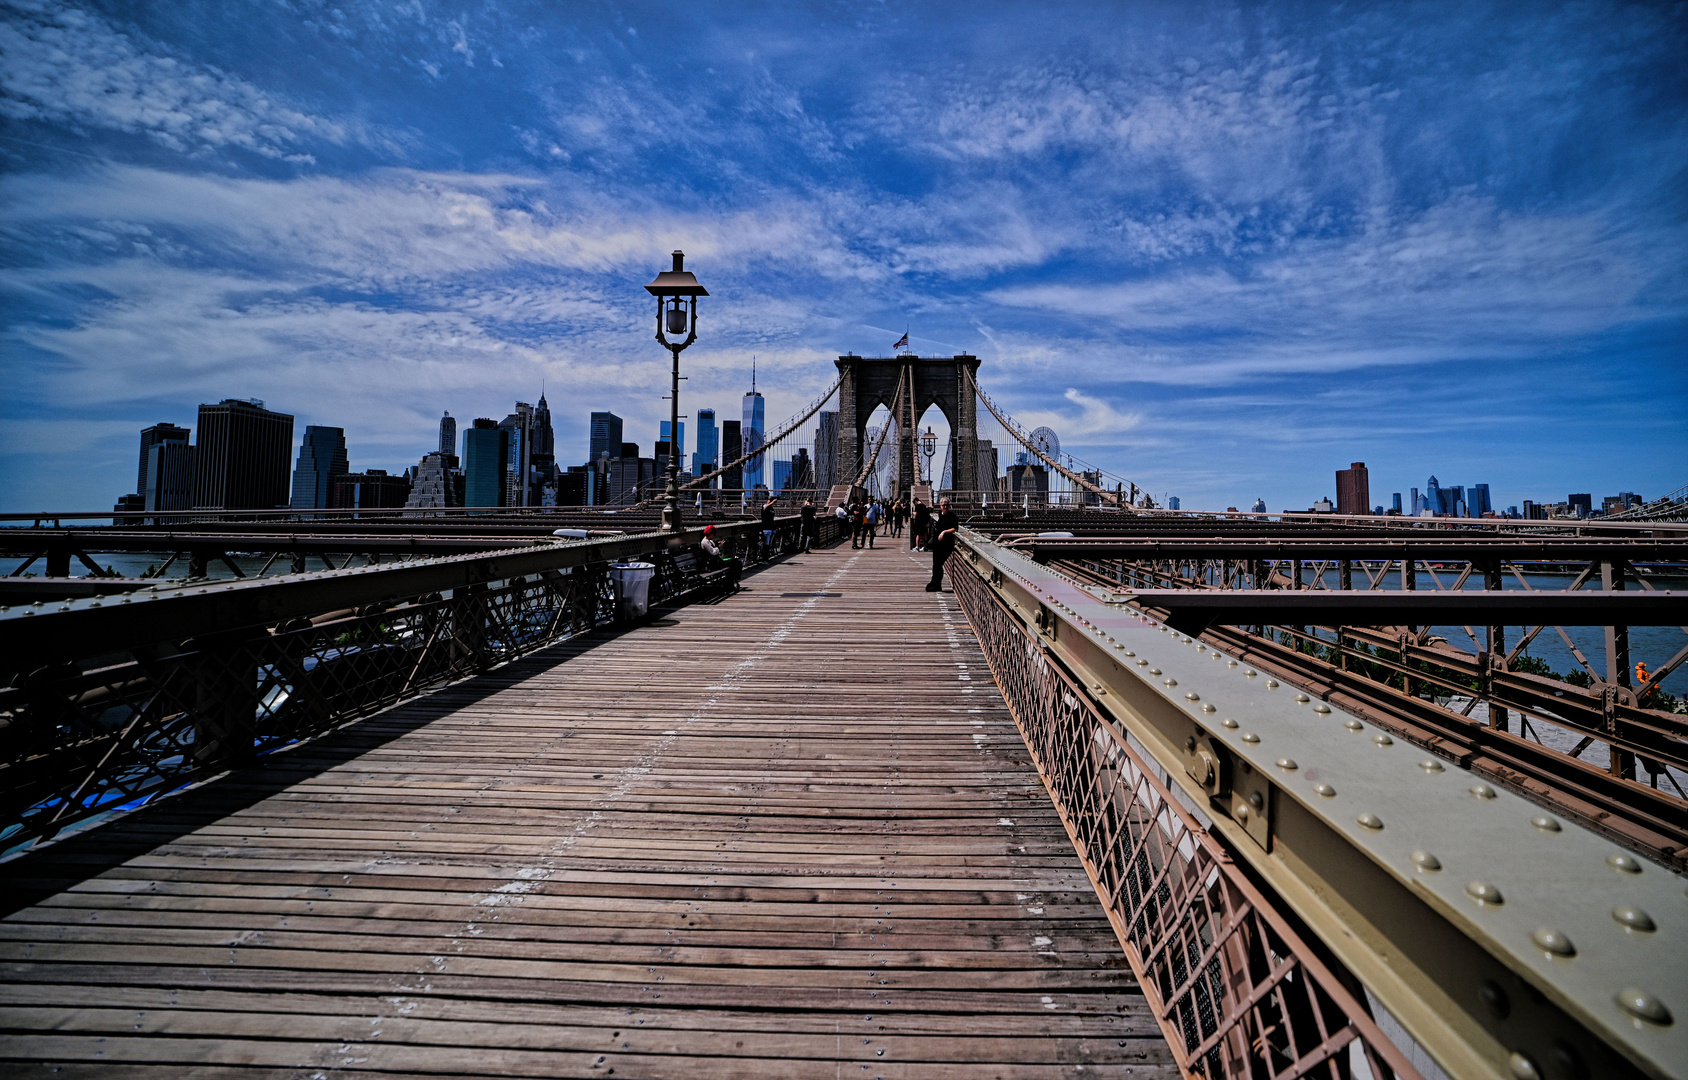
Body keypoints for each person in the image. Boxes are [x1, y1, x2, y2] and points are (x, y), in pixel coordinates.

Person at [926, 497, 959, 592]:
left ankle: (936, 584)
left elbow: (955, 528)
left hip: (946, 544)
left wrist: (944, 532)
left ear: (950, 506)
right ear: (940, 506)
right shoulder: (940, 515)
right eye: (944, 505)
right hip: (938, 544)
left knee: (938, 564)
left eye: (947, 505)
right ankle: (935, 584)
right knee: (936, 565)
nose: (945, 507)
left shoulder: (952, 516)